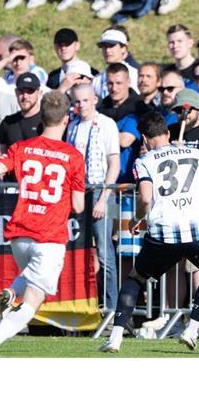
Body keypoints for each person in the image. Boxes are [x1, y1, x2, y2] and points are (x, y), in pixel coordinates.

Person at [100, 111, 199, 353]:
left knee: (136, 278)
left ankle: (115, 338)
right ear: (168, 134)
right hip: (198, 231)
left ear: (144, 138)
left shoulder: (144, 161)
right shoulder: (194, 153)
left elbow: (145, 198)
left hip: (164, 234)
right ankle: (192, 328)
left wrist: (137, 219)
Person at [0, 91, 86, 358]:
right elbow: (79, 206)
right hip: (49, 237)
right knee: (34, 300)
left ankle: (12, 292)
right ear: (66, 119)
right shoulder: (73, 156)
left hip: (20, 236)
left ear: (41, 118)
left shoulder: (21, 148)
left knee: (29, 278)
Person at [66, 83, 121, 311]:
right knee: (79, 251)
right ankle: (83, 304)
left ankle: (112, 308)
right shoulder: (72, 126)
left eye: (85, 100)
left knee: (105, 252)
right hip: (78, 191)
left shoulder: (107, 124)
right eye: (77, 101)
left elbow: (114, 163)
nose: (81, 105)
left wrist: (104, 198)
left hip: (100, 190)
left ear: (95, 100)